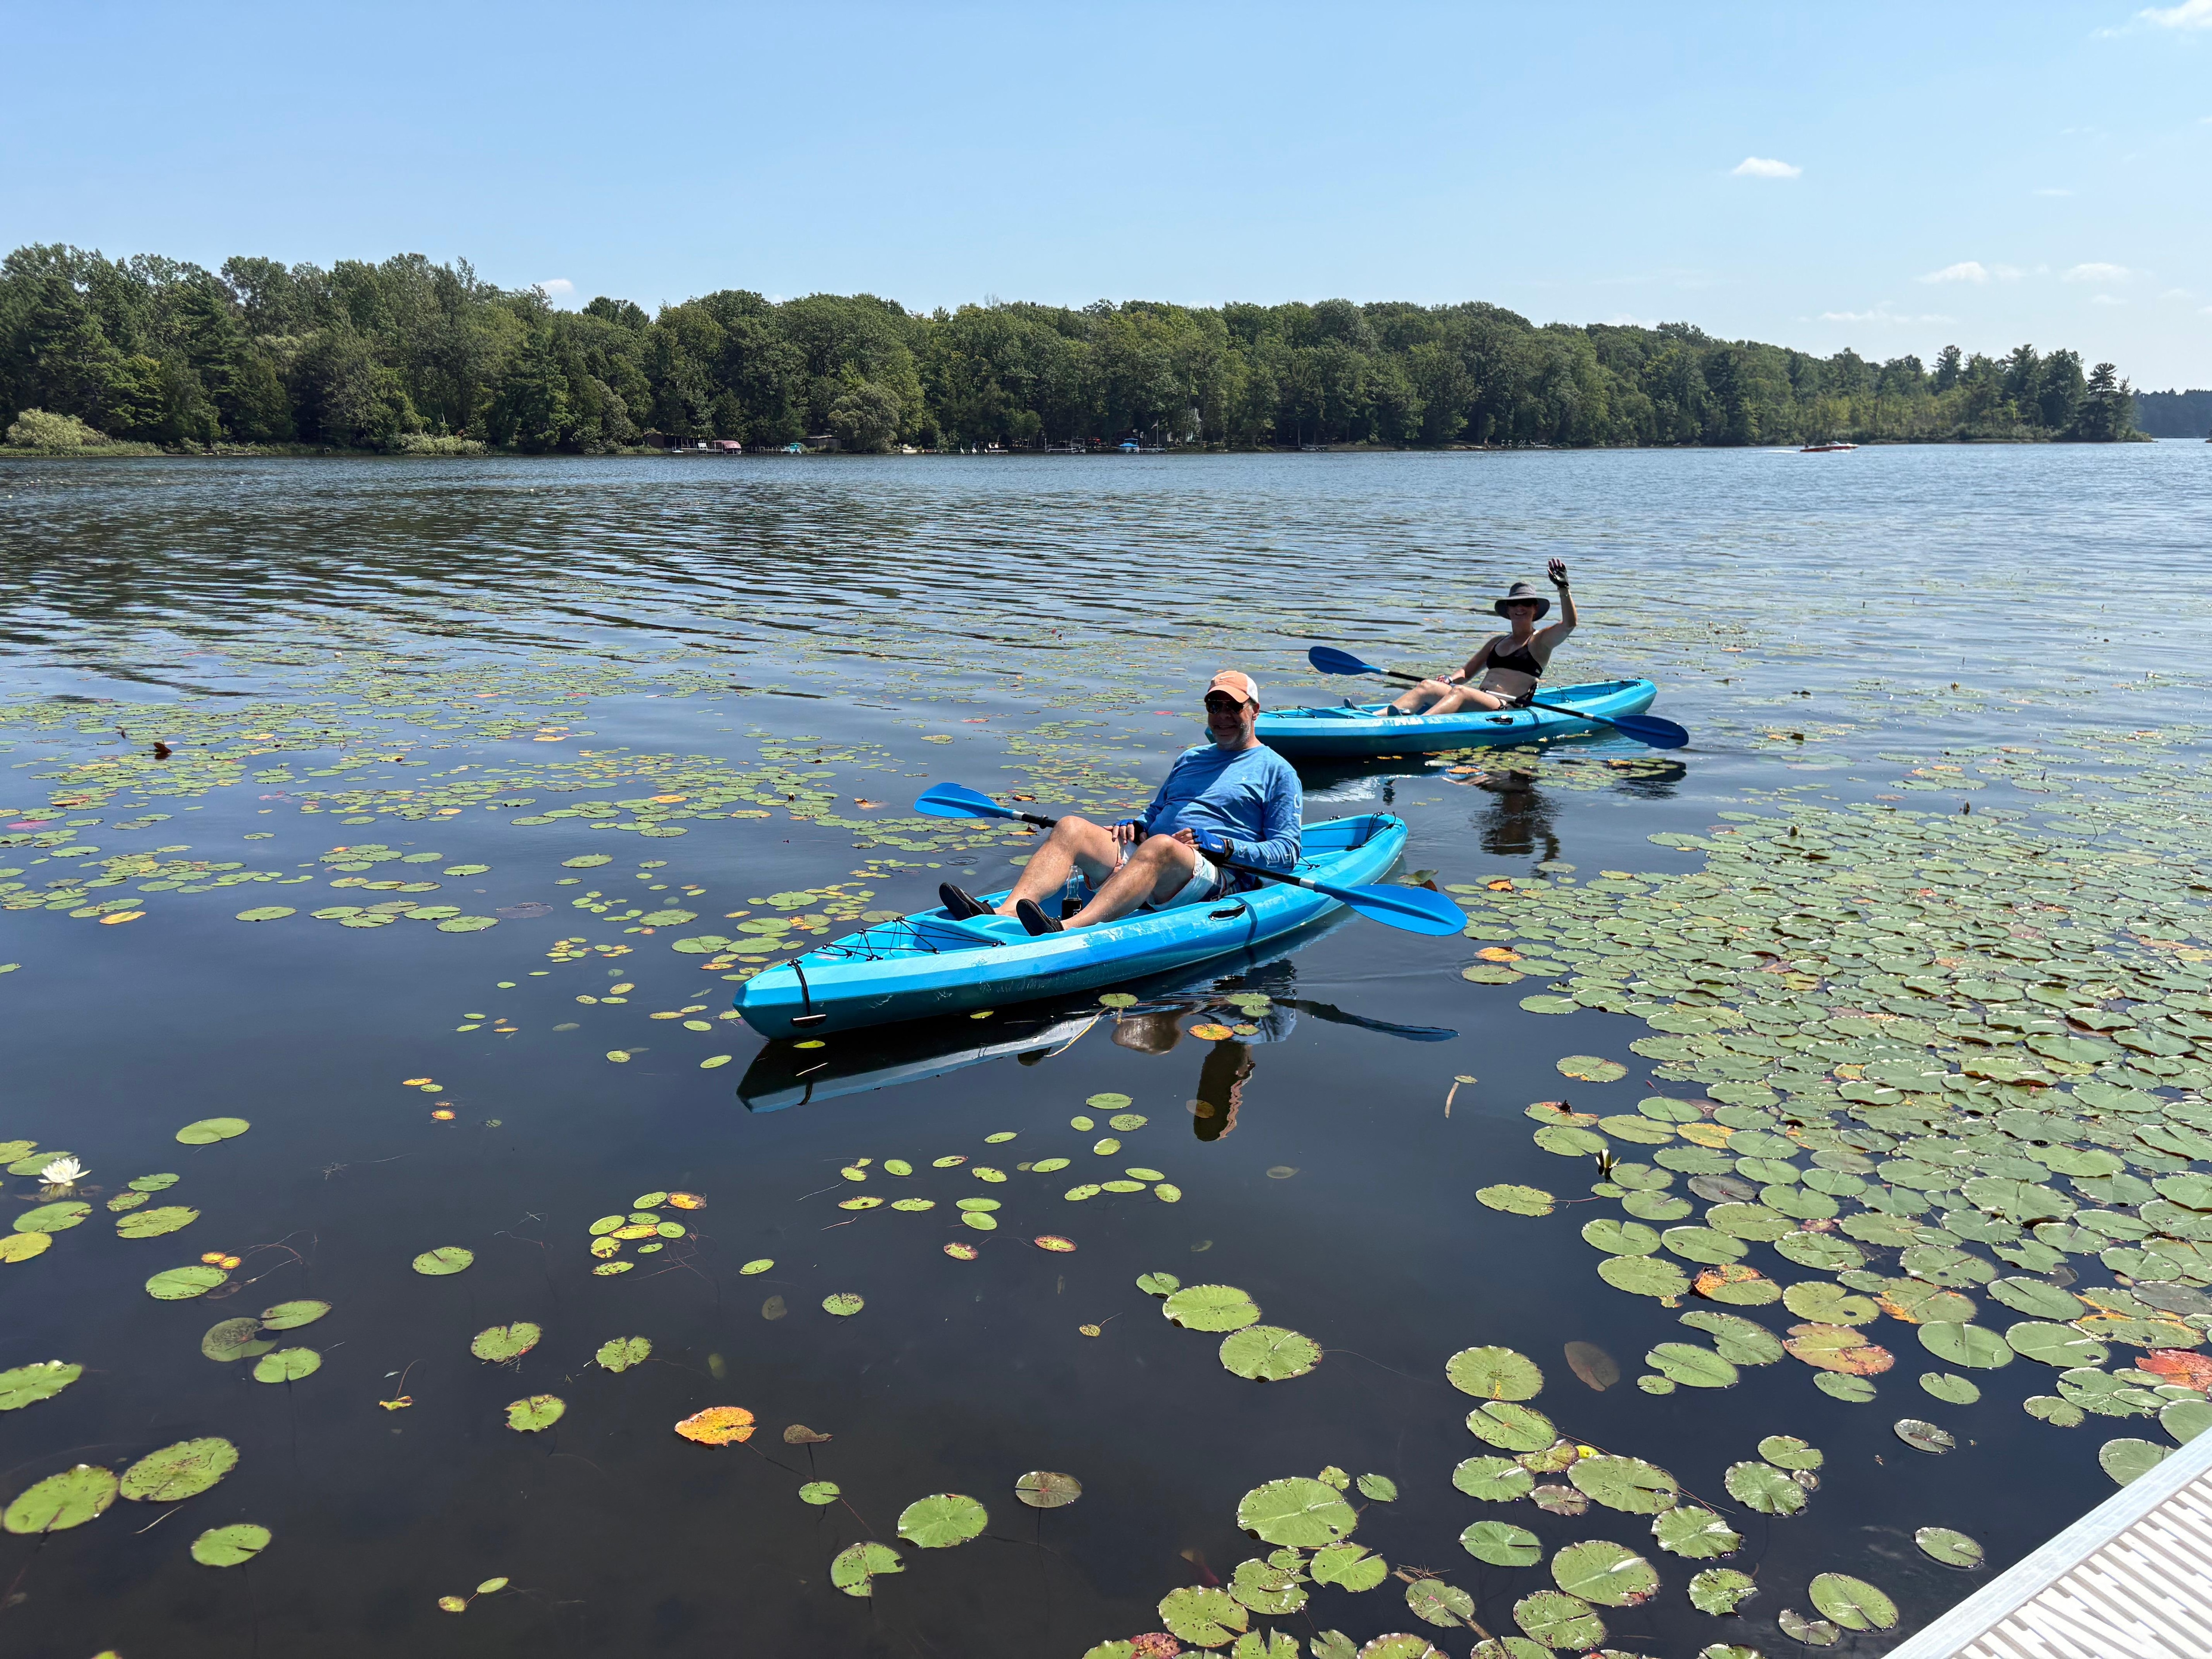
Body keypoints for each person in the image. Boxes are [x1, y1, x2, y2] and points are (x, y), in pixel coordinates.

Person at [938, 671, 1302, 937]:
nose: (1222, 716)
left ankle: (1065, 928)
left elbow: (1288, 853)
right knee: (1072, 827)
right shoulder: (1191, 758)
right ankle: (1006, 915)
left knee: (1162, 846)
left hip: (1216, 877)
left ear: (1254, 711)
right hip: (1153, 856)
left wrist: (1224, 845)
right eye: (1214, 706)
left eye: (1232, 708)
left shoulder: (1277, 771)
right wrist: (1139, 825)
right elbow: (1158, 812)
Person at [1387, 558, 1577, 716]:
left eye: (1526, 603)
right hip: (1478, 699)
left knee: (1461, 692)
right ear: (1508, 610)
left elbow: (1569, 625)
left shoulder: (1540, 641)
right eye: (1515, 604)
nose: (1520, 608)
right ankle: (1373, 717)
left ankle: (1418, 723)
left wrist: (1563, 589)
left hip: (1506, 708)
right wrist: (1449, 680)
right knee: (1428, 686)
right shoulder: (1497, 642)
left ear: (1535, 609)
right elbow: (1466, 673)